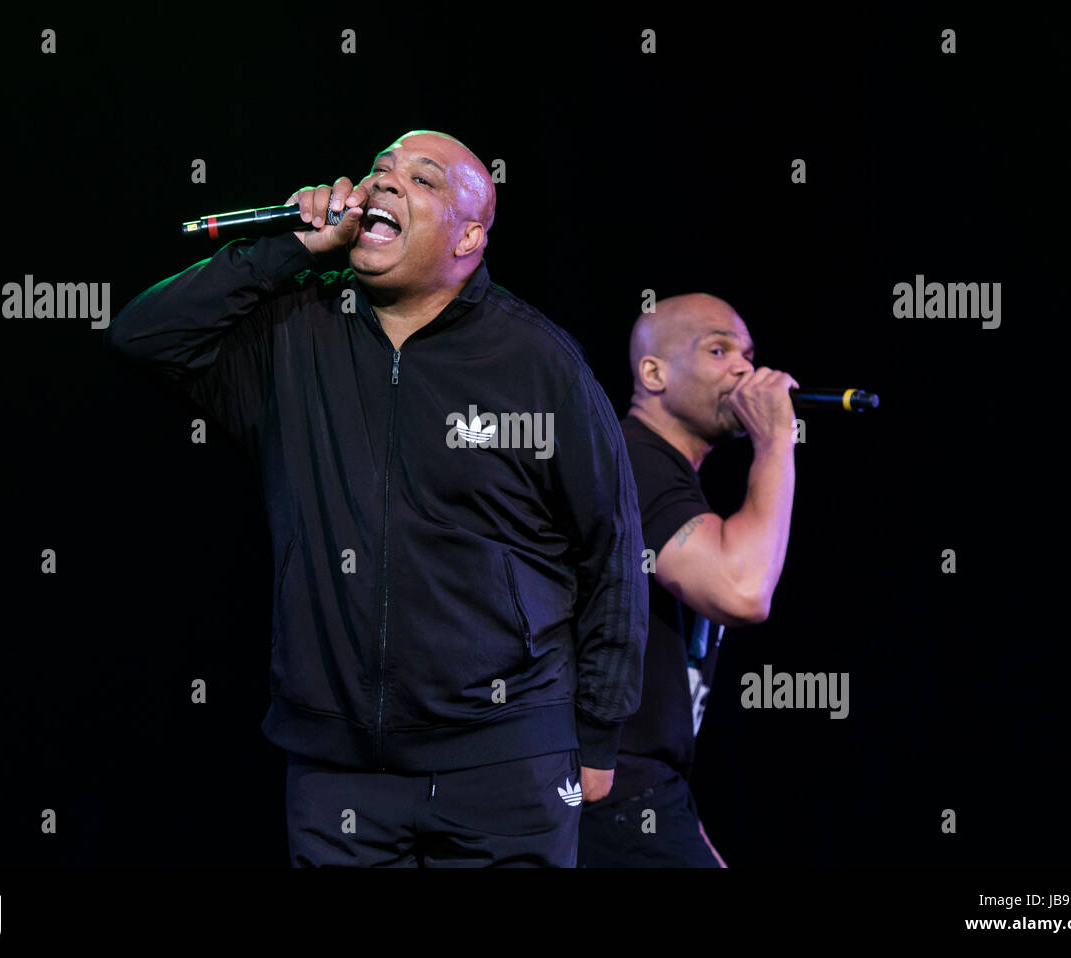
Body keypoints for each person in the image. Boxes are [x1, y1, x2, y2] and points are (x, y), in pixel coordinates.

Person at [105, 131, 647, 867]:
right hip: (338, 767)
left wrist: (600, 734)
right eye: (379, 171)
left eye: (422, 181)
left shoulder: (538, 363)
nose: (385, 184)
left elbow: (612, 551)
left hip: (507, 755)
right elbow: (143, 336)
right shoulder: (295, 334)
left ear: (470, 235)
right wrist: (288, 250)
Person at [577, 293, 797, 867]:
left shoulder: (656, 469)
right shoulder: (634, 462)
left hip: (639, 792)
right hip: (612, 788)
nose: (744, 370)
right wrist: (776, 443)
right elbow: (742, 590)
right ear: (653, 372)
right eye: (718, 350)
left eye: (748, 356)